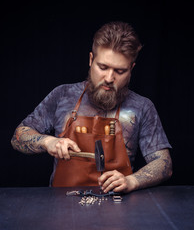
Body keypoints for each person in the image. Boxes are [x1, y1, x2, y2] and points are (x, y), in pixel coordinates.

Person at [11, 21, 172, 193]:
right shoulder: (62, 95)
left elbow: (164, 163)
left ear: (131, 69)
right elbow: (18, 137)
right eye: (103, 67)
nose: (109, 78)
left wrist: (132, 181)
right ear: (90, 60)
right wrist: (47, 141)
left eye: (119, 71)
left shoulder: (142, 107)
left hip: (118, 209)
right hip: (61, 209)